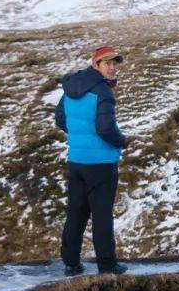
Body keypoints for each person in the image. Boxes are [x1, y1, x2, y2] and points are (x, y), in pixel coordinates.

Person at [54, 45, 128, 275]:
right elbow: (105, 128)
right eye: (107, 63)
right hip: (102, 163)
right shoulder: (102, 91)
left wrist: (78, 135)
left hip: (76, 161)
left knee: (76, 211)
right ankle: (107, 265)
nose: (112, 67)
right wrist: (121, 141)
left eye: (115, 62)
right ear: (95, 64)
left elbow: (60, 119)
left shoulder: (71, 88)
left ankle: (71, 263)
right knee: (102, 214)